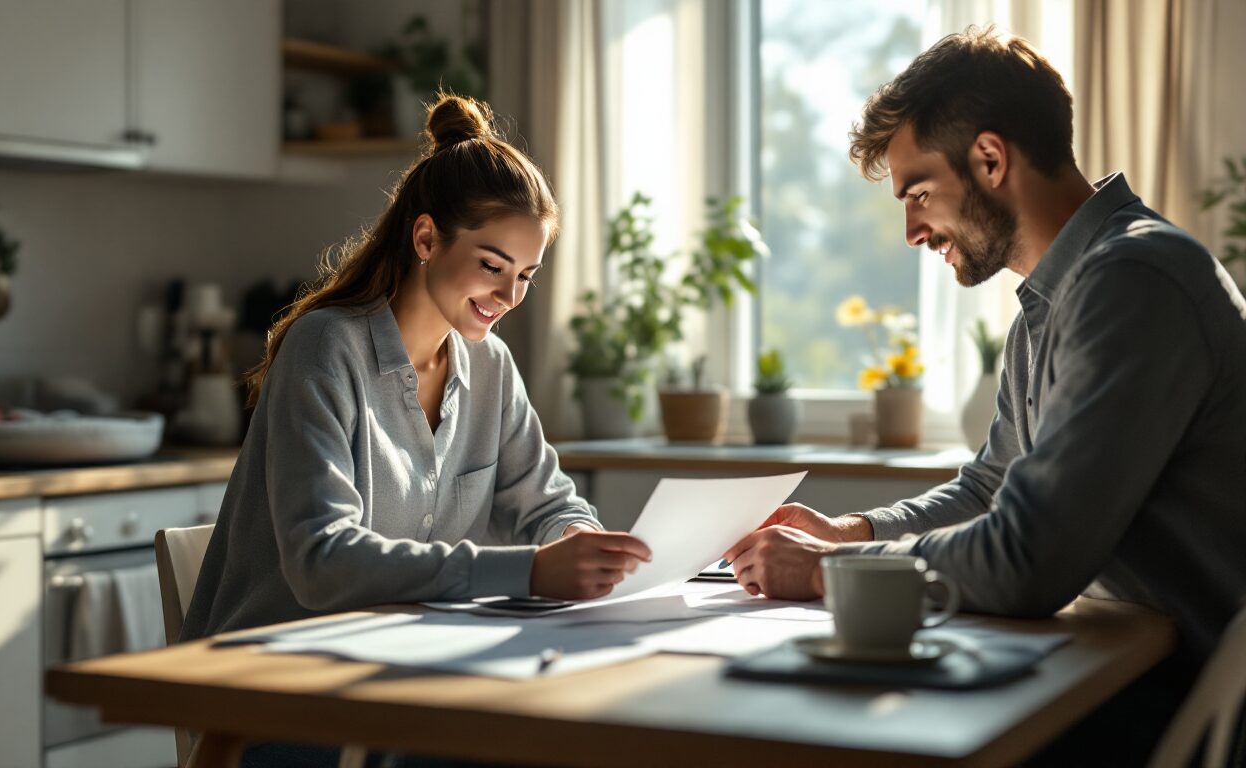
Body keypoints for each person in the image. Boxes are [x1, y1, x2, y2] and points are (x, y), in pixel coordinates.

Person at [724, 26, 1246, 763]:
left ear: (991, 159)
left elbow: (1028, 560)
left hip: (1186, 712)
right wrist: (854, 533)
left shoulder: (1133, 281)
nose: (910, 230)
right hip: (1134, 673)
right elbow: (993, 486)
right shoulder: (1057, 299)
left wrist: (821, 571)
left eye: (919, 193)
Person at [182, 94, 651, 642]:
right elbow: (321, 560)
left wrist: (580, 542)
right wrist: (528, 571)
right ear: (426, 238)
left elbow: (545, 502)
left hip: (400, 660)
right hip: (273, 683)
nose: (509, 295)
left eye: (526, 274)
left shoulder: (490, 364)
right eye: (491, 265)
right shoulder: (326, 347)